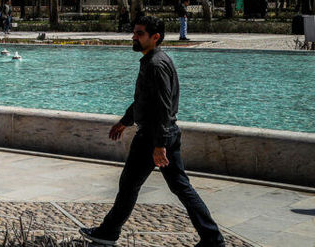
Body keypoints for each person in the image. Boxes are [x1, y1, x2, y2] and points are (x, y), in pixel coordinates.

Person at [78, 16, 226, 247]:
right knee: (177, 187)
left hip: (153, 138)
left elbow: (162, 108)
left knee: (132, 185)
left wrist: (159, 145)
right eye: (134, 32)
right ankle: (212, 239)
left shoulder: (156, 65)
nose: (134, 37)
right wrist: (125, 122)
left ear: (155, 37)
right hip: (161, 134)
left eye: (139, 33)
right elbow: (143, 101)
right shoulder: (154, 60)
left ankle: (108, 232)